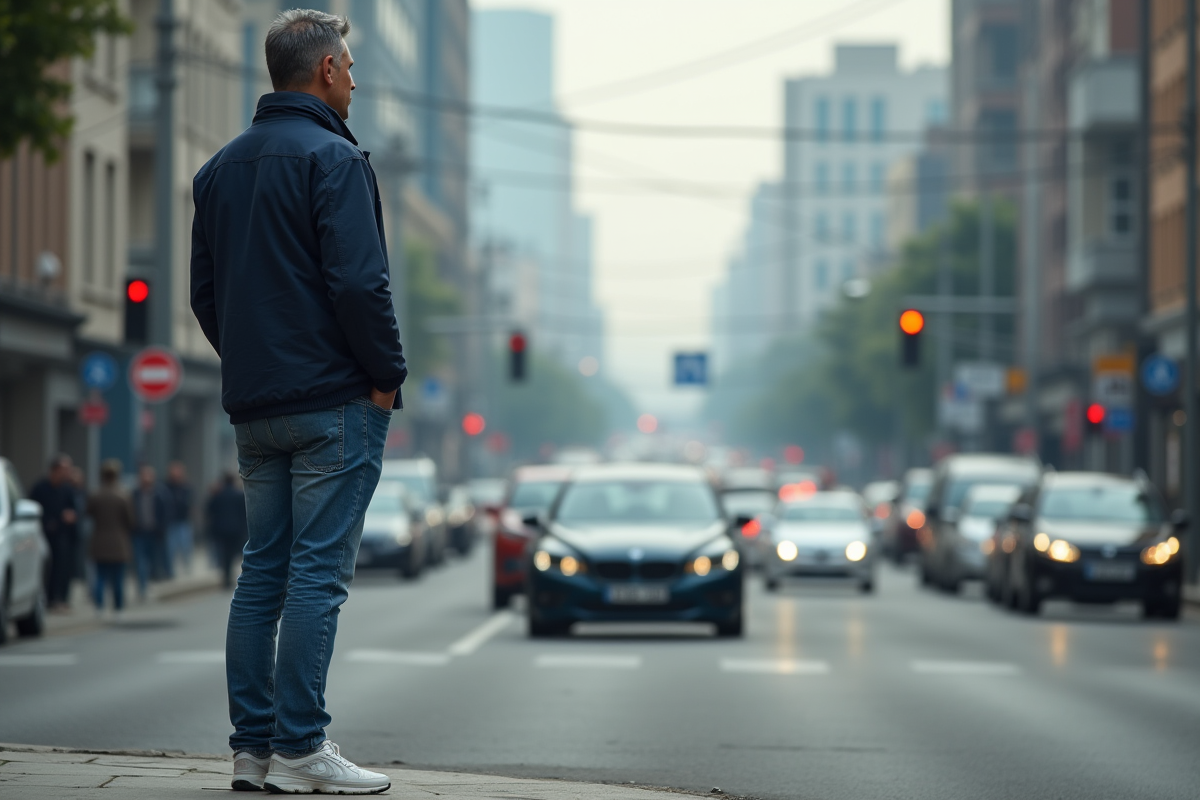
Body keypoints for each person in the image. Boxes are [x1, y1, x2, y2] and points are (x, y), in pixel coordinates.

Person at [190, 8, 405, 795]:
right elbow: (359, 282)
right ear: (323, 71)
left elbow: (205, 296)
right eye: (348, 66)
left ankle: (252, 751)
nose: (354, 78)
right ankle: (303, 748)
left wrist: (252, 363)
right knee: (318, 577)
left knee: (262, 575)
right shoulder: (336, 159)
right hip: (334, 403)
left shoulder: (217, 169)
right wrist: (386, 375)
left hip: (257, 405)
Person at [29, 455, 79, 612]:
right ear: (55, 470)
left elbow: (76, 510)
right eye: (65, 469)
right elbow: (33, 508)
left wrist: (72, 516)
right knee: (46, 569)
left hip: (63, 536)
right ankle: (47, 599)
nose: (68, 472)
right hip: (44, 535)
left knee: (63, 568)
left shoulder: (67, 489)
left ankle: (61, 599)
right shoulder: (40, 488)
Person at [86, 460, 134, 617]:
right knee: (118, 579)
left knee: (100, 577)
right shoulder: (123, 496)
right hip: (118, 542)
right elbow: (130, 520)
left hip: (99, 541)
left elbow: (88, 513)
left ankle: (99, 607)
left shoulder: (96, 495)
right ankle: (118, 609)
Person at [129, 464, 169, 600]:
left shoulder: (160, 493)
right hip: (139, 533)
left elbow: (166, 513)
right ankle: (142, 587)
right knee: (140, 561)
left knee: (153, 561)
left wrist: (162, 529)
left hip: (154, 532)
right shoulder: (135, 494)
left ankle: (149, 583)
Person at [207, 472, 248, 589]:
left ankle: (226, 577)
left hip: (221, 530)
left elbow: (210, 510)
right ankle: (231, 577)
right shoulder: (239, 495)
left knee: (225, 555)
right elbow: (244, 513)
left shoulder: (218, 495)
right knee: (236, 554)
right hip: (236, 530)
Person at [165, 461, 195, 576]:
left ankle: (187, 571)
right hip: (171, 522)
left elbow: (191, 502)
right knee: (170, 549)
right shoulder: (166, 487)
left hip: (184, 521)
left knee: (186, 548)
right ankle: (170, 572)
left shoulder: (186, 487)